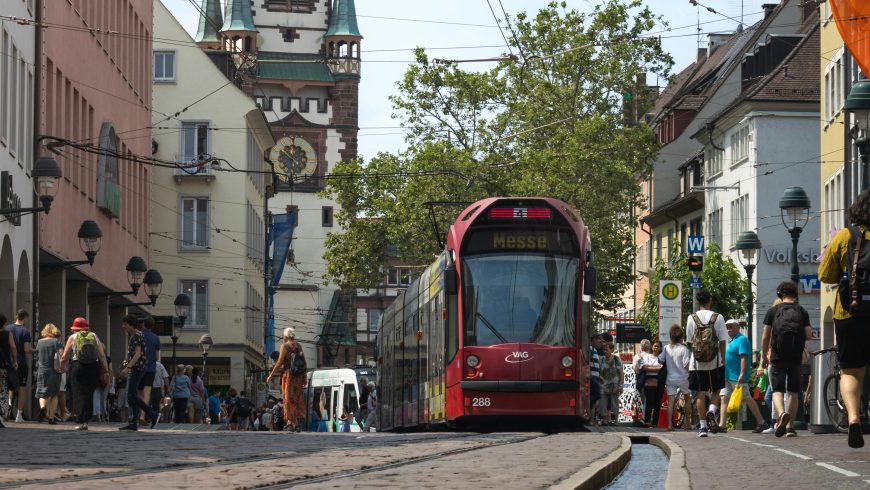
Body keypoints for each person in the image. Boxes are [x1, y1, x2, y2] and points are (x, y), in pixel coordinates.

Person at [818, 190, 870, 448]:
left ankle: (852, 419)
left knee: (851, 371)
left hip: (849, 312)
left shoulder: (844, 236)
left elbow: (825, 275)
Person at [758, 281, 812, 438]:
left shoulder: (773, 311)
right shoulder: (802, 311)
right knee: (793, 392)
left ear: (779, 295)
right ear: (795, 295)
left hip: (777, 356)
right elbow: (809, 334)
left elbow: (765, 336)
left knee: (777, 391)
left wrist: (763, 358)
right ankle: (790, 428)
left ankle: (781, 413)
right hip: (795, 357)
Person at [685, 289, 728, 437]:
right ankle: (711, 410)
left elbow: (690, 341)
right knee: (716, 391)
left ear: (697, 301)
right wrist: (722, 360)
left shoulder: (692, 318)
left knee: (700, 394)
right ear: (710, 300)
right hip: (715, 362)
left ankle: (703, 427)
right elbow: (722, 342)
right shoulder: (718, 317)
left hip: (696, 363)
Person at [719, 319, 767, 433]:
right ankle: (722, 425)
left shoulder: (742, 340)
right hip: (726, 376)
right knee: (724, 398)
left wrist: (742, 374)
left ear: (737, 327)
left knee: (746, 398)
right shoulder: (729, 341)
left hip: (737, 376)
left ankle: (762, 422)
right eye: (727, 326)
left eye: (731, 326)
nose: (728, 329)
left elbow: (744, 358)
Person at [60, 317, 109, 431]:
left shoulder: (73, 337)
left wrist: (62, 367)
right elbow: (101, 355)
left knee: (79, 394)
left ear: (75, 328)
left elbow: (65, 356)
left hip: (78, 366)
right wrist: (106, 370)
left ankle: (80, 421)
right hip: (94, 367)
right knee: (89, 394)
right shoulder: (94, 336)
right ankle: (86, 420)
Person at [118, 315, 158, 431]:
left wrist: (128, 367)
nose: (123, 326)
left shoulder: (136, 335)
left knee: (131, 395)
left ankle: (151, 414)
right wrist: (127, 362)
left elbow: (138, 353)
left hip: (137, 368)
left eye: (125, 324)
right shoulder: (136, 335)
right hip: (137, 367)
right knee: (131, 396)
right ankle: (133, 421)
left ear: (131, 325)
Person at [266, 327, 306, 432]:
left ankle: (295, 424)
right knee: (296, 399)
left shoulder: (284, 346)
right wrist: (304, 377)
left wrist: (271, 375)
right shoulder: (299, 346)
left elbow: (279, 363)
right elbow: (304, 362)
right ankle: (290, 423)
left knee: (288, 399)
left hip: (289, 376)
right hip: (299, 376)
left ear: (285, 336)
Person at [659, 324, 691, 431]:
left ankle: (669, 425)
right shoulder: (684, 349)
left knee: (671, 401)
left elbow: (660, 360)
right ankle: (687, 424)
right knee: (687, 399)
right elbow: (686, 364)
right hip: (683, 378)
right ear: (681, 337)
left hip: (670, 379)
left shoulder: (667, 348)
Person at [5, 309, 33, 423]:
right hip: (21, 363)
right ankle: (19, 415)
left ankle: (7, 408)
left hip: (8, 362)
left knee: (8, 386)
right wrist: (35, 350)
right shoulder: (25, 331)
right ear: (25, 318)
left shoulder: (7, 329)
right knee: (22, 388)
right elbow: (27, 349)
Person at [35, 324, 63, 425]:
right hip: (54, 371)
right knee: (54, 395)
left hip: (42, 370)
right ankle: (51, 418)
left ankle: (43, 408)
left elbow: (38, 355)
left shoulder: (39, 342)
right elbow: (62, 355)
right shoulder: (57, 342)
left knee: (43, 393)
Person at [137, 317, 160, 424]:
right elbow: (157, 357)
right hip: (150, 369)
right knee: (147, 393)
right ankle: (142, 415)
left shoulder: (139, 335)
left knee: (139, 393)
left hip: (139, 367)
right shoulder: (156, 338)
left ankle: (139, 412)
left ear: (143, 325)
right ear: (153, 326)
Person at [635, 339, 663, 427]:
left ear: (660, 348)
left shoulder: (662, 358)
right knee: (649, 401)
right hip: (648, 382)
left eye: (658, 346)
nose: (656, 348)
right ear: (652, 347)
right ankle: (647, 421)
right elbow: (644, 368)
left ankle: (655, 423)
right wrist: (658, 368)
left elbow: (661, 368)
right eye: (655, 346)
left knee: (657, 403)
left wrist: (651, 367)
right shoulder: (647, 357)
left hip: (659, 383)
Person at [599, 341, 623, 425]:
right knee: (602, 402)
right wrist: (601, 379)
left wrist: (621, 385)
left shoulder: (616, 359)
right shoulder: (601, 359)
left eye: (607, 349)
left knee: (614, 402)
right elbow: (599, 372)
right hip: (604, 384)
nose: (605, 351)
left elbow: (621, 373)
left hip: (614, 385)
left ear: (612, 350)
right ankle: (605, 420)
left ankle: (616, 420)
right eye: (604, 350)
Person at [0, 313, 15, 427]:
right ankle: (1, 417)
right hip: (3, 366)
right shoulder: (7, 334)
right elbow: (13, 347)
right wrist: (14, 361)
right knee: (3, 391)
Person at [589, 333, 604, 422]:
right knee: (597, 394)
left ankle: (590, 417)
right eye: (599, 340)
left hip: (596, 376)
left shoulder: (594, 350)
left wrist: (599, 376)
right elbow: (587, 362)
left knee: (595, 395)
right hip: (592, 377)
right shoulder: (590, 349)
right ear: (594, 339)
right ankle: (588, 408)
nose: (600, 343)